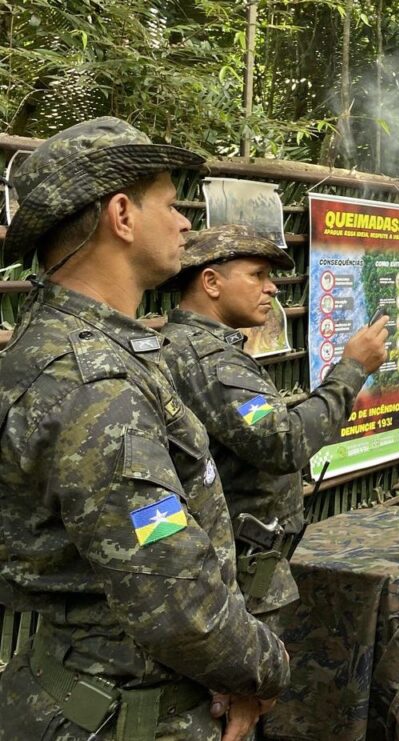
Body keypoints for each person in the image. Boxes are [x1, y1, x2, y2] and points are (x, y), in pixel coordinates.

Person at [0, 117, 289, 740]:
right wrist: (263, 671)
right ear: (122, 216)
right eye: (169, 203)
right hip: (116, 715)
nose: (186, 223)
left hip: (94, 690)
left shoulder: (75, 345)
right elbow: (173, 600)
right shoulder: (94, 382)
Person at [159, 224, 389, 631]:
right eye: (258, 275)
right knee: (249, 692)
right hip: (237, 580)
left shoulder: (195, 348)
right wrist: (353, 369)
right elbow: (284, 443)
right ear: (211, 282)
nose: (273, 288)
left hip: (236, 568)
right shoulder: (208, 359)